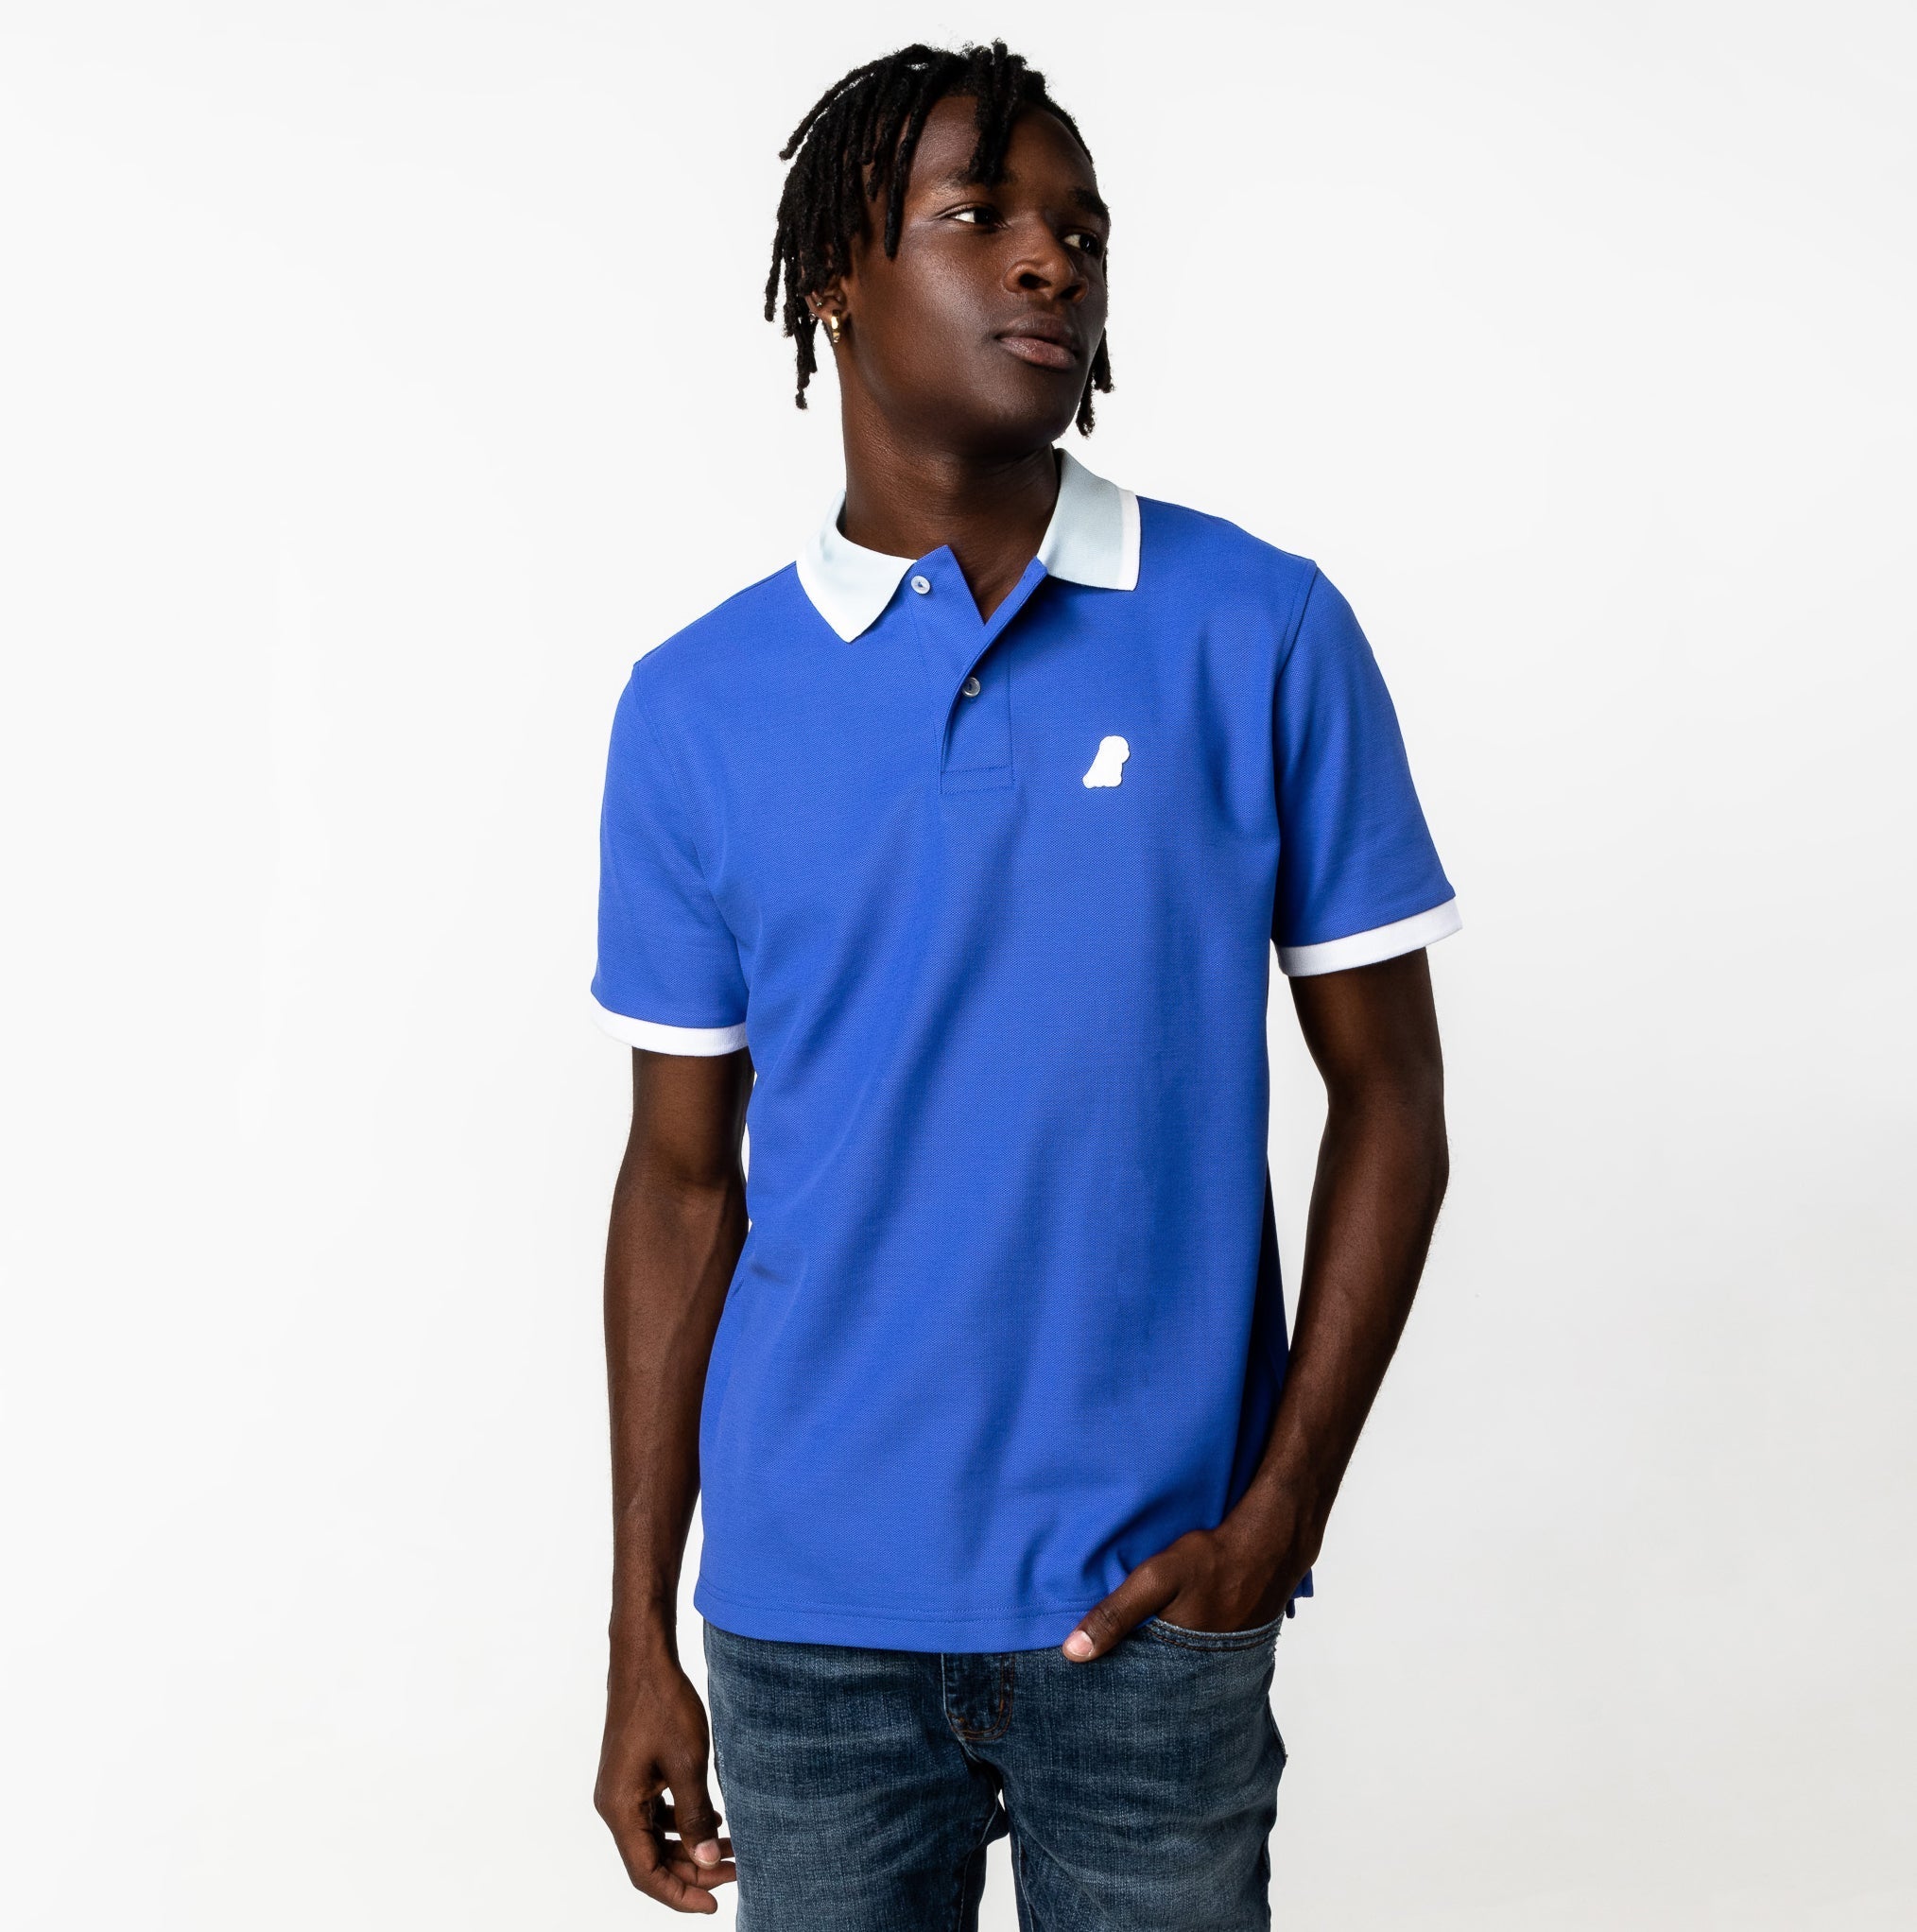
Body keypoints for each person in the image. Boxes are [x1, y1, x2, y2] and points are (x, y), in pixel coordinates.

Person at [588, 40, 1457, 1930]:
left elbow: (1393, 1099)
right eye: (976, 217)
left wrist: (1277, 1518)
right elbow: (680, 1183)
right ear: (839, 278)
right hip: (805, 1628)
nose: (1049, 261)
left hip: (1151, 1607)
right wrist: (638, 1632)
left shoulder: (1258, 628)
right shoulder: (695, 707)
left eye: (1078, 229)